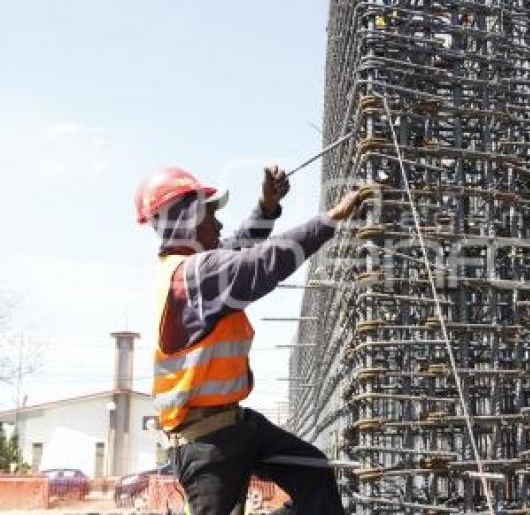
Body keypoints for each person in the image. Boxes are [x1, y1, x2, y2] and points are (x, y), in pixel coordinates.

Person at [135, 165, 361, 515]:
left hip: (235, 427)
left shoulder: (189, 268)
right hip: (207, 443)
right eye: (211, 214)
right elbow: (262, 262)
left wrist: (267, 208)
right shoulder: (195, 275)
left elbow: (238, 247)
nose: (220, 224)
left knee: (314, 474)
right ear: (188, 220)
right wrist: (331, 219)